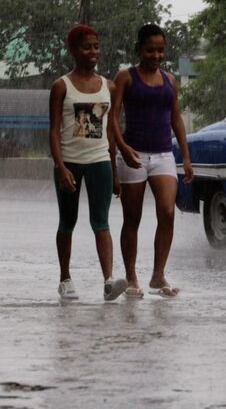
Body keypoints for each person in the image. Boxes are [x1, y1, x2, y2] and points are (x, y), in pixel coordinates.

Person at [110, 24, 193, 298]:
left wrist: (186, 156)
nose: (156, 55)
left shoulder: (170, 79)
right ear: (139, 50)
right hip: (133, 155)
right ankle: (132, 277)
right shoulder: (126, 77)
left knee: (167, 212)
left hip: (163, 155)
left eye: (160, 50)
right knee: (132, 218)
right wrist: (122, 148)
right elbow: (112, 118)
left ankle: (158, 276)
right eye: (150, 50)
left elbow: (176, 119)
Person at [49, 24, 129, 301]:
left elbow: (110, 131)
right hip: (69, 162)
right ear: (73, 50)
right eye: (87, 47)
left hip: (99, 162)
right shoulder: (62, 86)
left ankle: (108, 281)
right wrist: (61, 168)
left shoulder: (109, 86)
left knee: (101, 222)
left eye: (96, 46)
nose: (93, 52)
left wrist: (115, 171)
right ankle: (65, 278)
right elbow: (54, 130)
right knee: (67, 222)